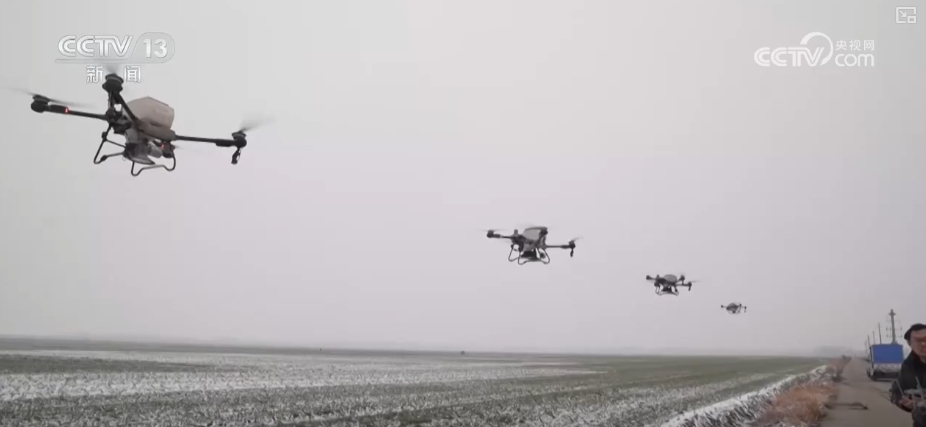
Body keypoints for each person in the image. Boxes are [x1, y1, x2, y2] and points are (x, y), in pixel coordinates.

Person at [890, 324, 926, 427]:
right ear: (910, 343)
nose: (923, 344)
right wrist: (903, 402)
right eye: (918, 341)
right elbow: (895, 393)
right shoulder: (908, 366)